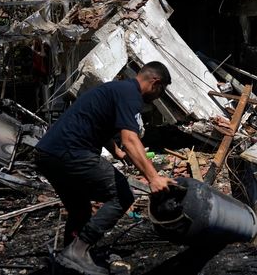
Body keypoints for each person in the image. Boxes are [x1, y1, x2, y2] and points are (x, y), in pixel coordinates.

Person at [35, 61, 177, 275]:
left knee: (80, 208)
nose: (158, 97)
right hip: (70, 152)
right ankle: (78, 250)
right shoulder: (131, 95)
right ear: (155, 83)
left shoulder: (118, 89)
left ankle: (68, 259)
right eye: (161, 90)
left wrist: (116, 152)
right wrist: (153, 178)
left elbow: (99, 125)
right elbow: (130, 139)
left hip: (48, 154)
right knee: (122, 194)